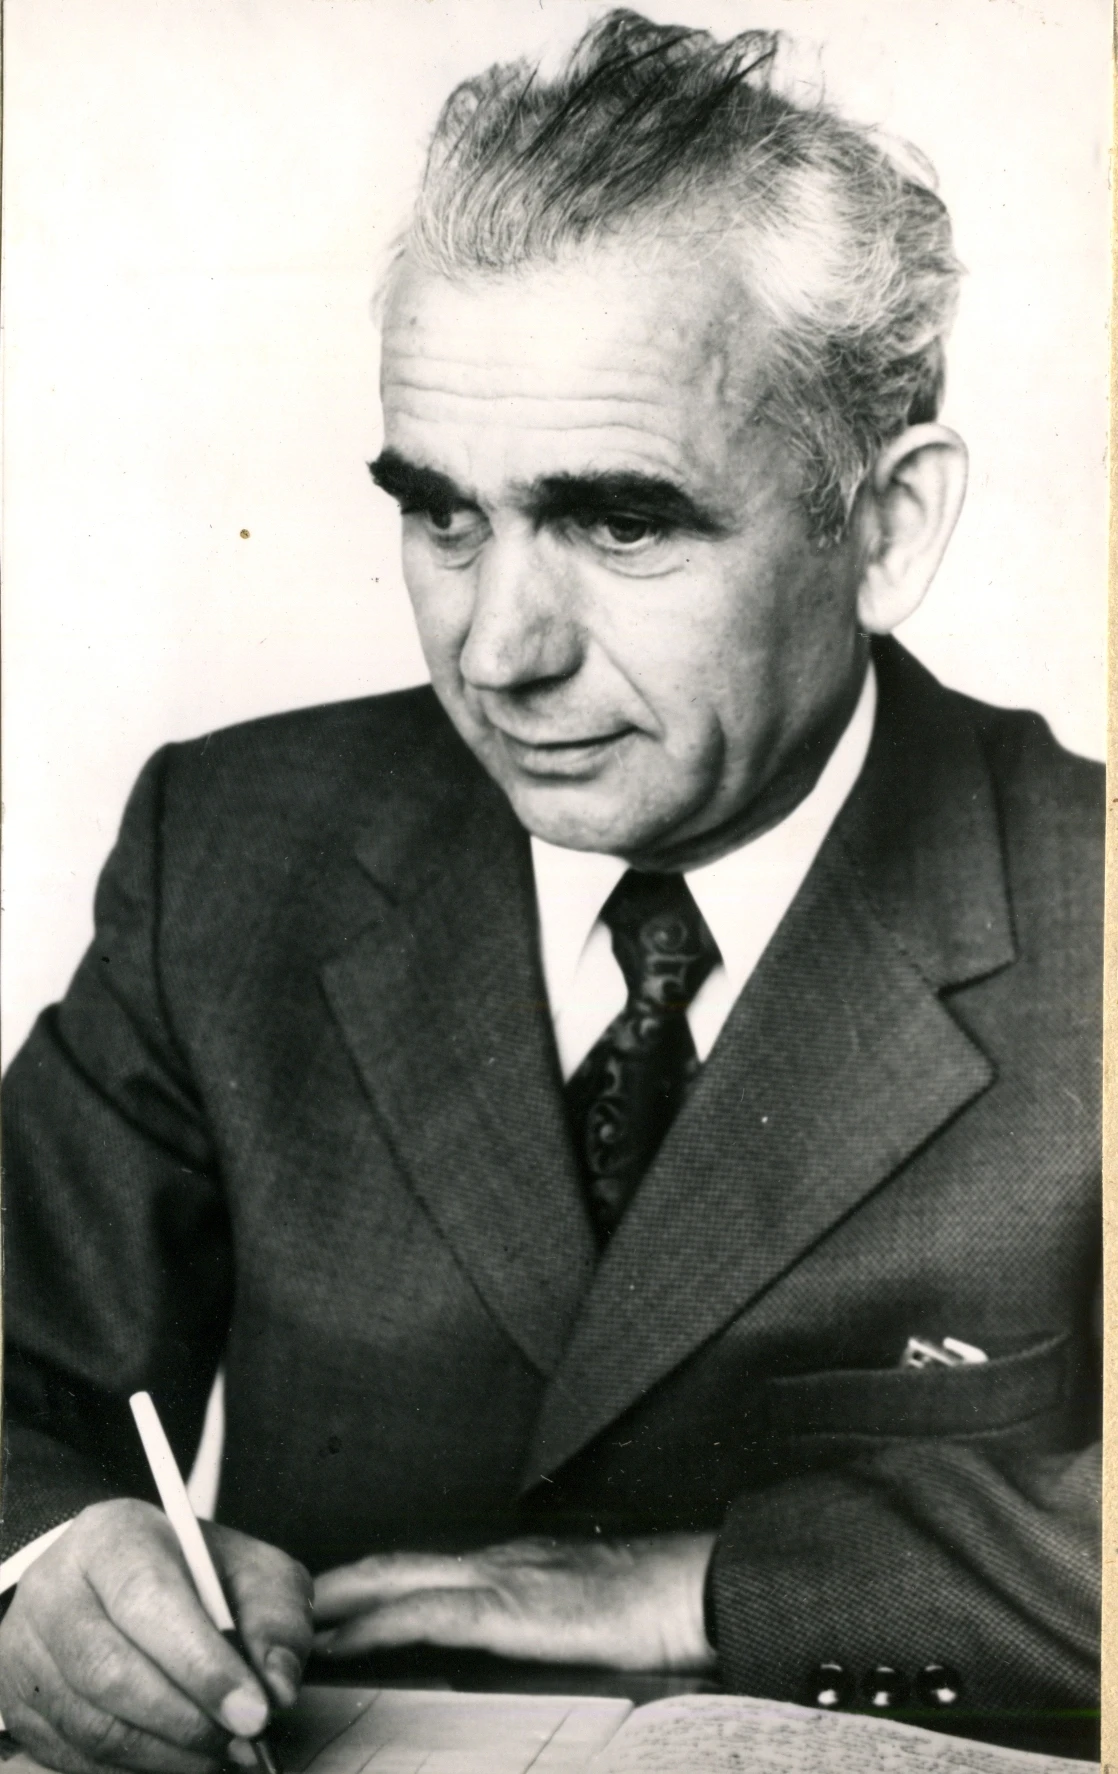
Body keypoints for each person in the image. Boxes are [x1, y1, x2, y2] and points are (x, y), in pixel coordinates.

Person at [0, 12, 1100, 1771]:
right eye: (443, 515)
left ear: (887, 528)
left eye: (620, 522)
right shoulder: (236, 847)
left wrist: (713, 1588)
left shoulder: (1087, 902)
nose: (497, 649)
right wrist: (47, 1563)